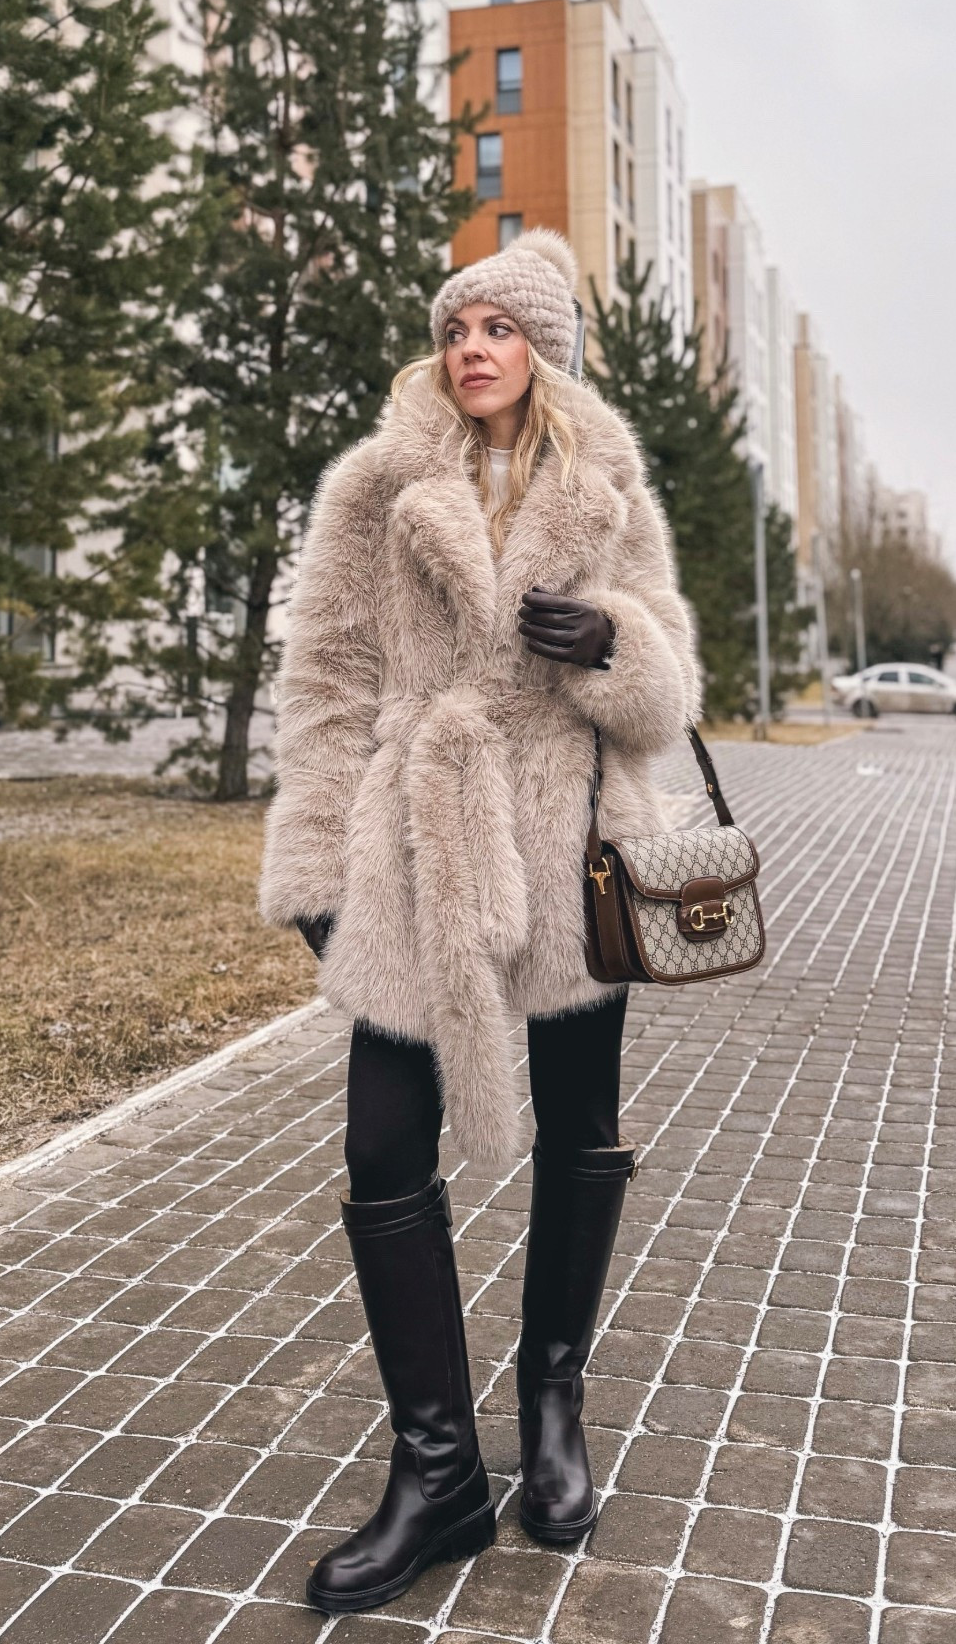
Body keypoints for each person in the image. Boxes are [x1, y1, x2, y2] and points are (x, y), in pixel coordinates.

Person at [259, 230, 699, 1615]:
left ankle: (552, 1414)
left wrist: (618, 645)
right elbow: (327, 679)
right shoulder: (377, 487)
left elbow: (670, 688)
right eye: (457, 329)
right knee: (383, 1145)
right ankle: (436, 1471)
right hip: (418, 847)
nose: (472, 350)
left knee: (582, 1128)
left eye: (499, 330)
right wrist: (320, 877)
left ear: (546, 350)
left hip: (572, 849)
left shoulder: (610, 487)